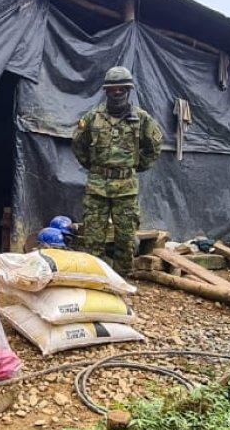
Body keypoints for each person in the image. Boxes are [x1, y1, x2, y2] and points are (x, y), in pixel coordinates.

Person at [70, 66, 164, 275]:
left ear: (129, 89)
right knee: (93, 238)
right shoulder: (93, 118)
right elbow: (78, 145)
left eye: (122, 88)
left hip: (126, 189)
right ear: (106, 91)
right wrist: (95, 167)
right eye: (113, 89)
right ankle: (94, 279)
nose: (118, 93)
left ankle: (122, 280)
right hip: (97, 187)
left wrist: (138, 166)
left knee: (125, 239)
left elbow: (155, 145)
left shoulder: (141, 118)